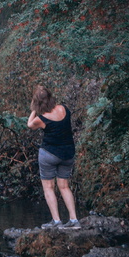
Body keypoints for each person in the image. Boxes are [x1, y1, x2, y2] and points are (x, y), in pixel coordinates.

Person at [27, 84, 80, 229]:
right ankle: (74, 220)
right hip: (68, 153)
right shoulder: (64, 109)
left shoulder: (42, 118)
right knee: (64, 187)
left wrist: (33, 109)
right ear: (50, 97)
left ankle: (57, 222)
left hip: (49, 155)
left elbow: (29, 125)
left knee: (49, 187)